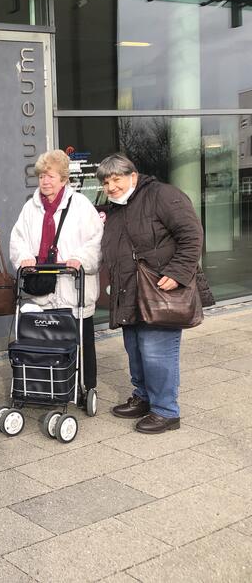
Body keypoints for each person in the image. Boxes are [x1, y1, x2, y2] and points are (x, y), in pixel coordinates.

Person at [97, 153, 212, 434]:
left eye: (117, 179)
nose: (111, 187)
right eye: (106, 182)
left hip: (160, 289)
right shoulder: (112, 208)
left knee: (156, 351)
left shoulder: (162, 195)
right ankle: (144, 397)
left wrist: (177, 273)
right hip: (128, 290)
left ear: (133, 176)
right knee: (135, 349)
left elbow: (192, 234)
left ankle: (165, 411)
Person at [9, 149, 103, 398]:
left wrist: (80, 259)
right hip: (42, 288)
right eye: (41, 177)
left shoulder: (81, 206)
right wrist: (23, 258)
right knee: (44, 341)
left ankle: (85, 387)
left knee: (81, 341)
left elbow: (95, 240)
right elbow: (17, 239)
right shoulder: (31, 207)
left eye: (50, 176)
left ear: (64, 179)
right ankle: (46, 386)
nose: (45, 181)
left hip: (73, 289)